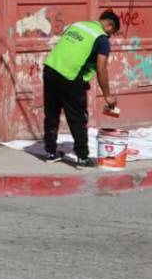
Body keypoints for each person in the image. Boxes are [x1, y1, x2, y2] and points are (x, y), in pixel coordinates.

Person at [42, 11, 121, 167]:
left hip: (50, 68)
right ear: (110, 25)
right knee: (78, 116)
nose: (111, 36)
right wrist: (108, 96)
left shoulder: (78, 25)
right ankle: (82, 157)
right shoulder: (101, 38)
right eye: (113, 32)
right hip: (70, 76)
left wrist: (84, 79)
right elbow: (101, 67)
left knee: (52, 113)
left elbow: (73, 51)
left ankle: (50, 152)